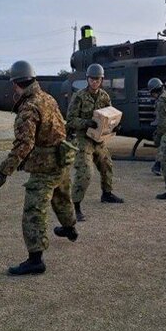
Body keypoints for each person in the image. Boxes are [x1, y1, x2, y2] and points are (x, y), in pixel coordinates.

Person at [0, 60, 78, 276]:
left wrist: (5, 170)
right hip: (61, 159)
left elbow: (24, 144)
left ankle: (35, 259)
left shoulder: (28, 107)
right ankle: (70, 228)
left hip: (45, 167)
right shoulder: (47, 98)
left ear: (15, 84)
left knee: (34, 211)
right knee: (62, 197)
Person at [66, 63, 124, 220]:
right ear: (87, 79)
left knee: (107, 165)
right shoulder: (79, 96)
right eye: (92, 79)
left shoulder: (104, 96)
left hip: (98, 139)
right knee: (85, 172)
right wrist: (86, 123)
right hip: (83, 139)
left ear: (102, 80)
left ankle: (107, 194)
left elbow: (110, 114)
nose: (94, 82)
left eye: (97, 79)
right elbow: (70, 120)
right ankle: (75, 207)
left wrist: (115, 125)